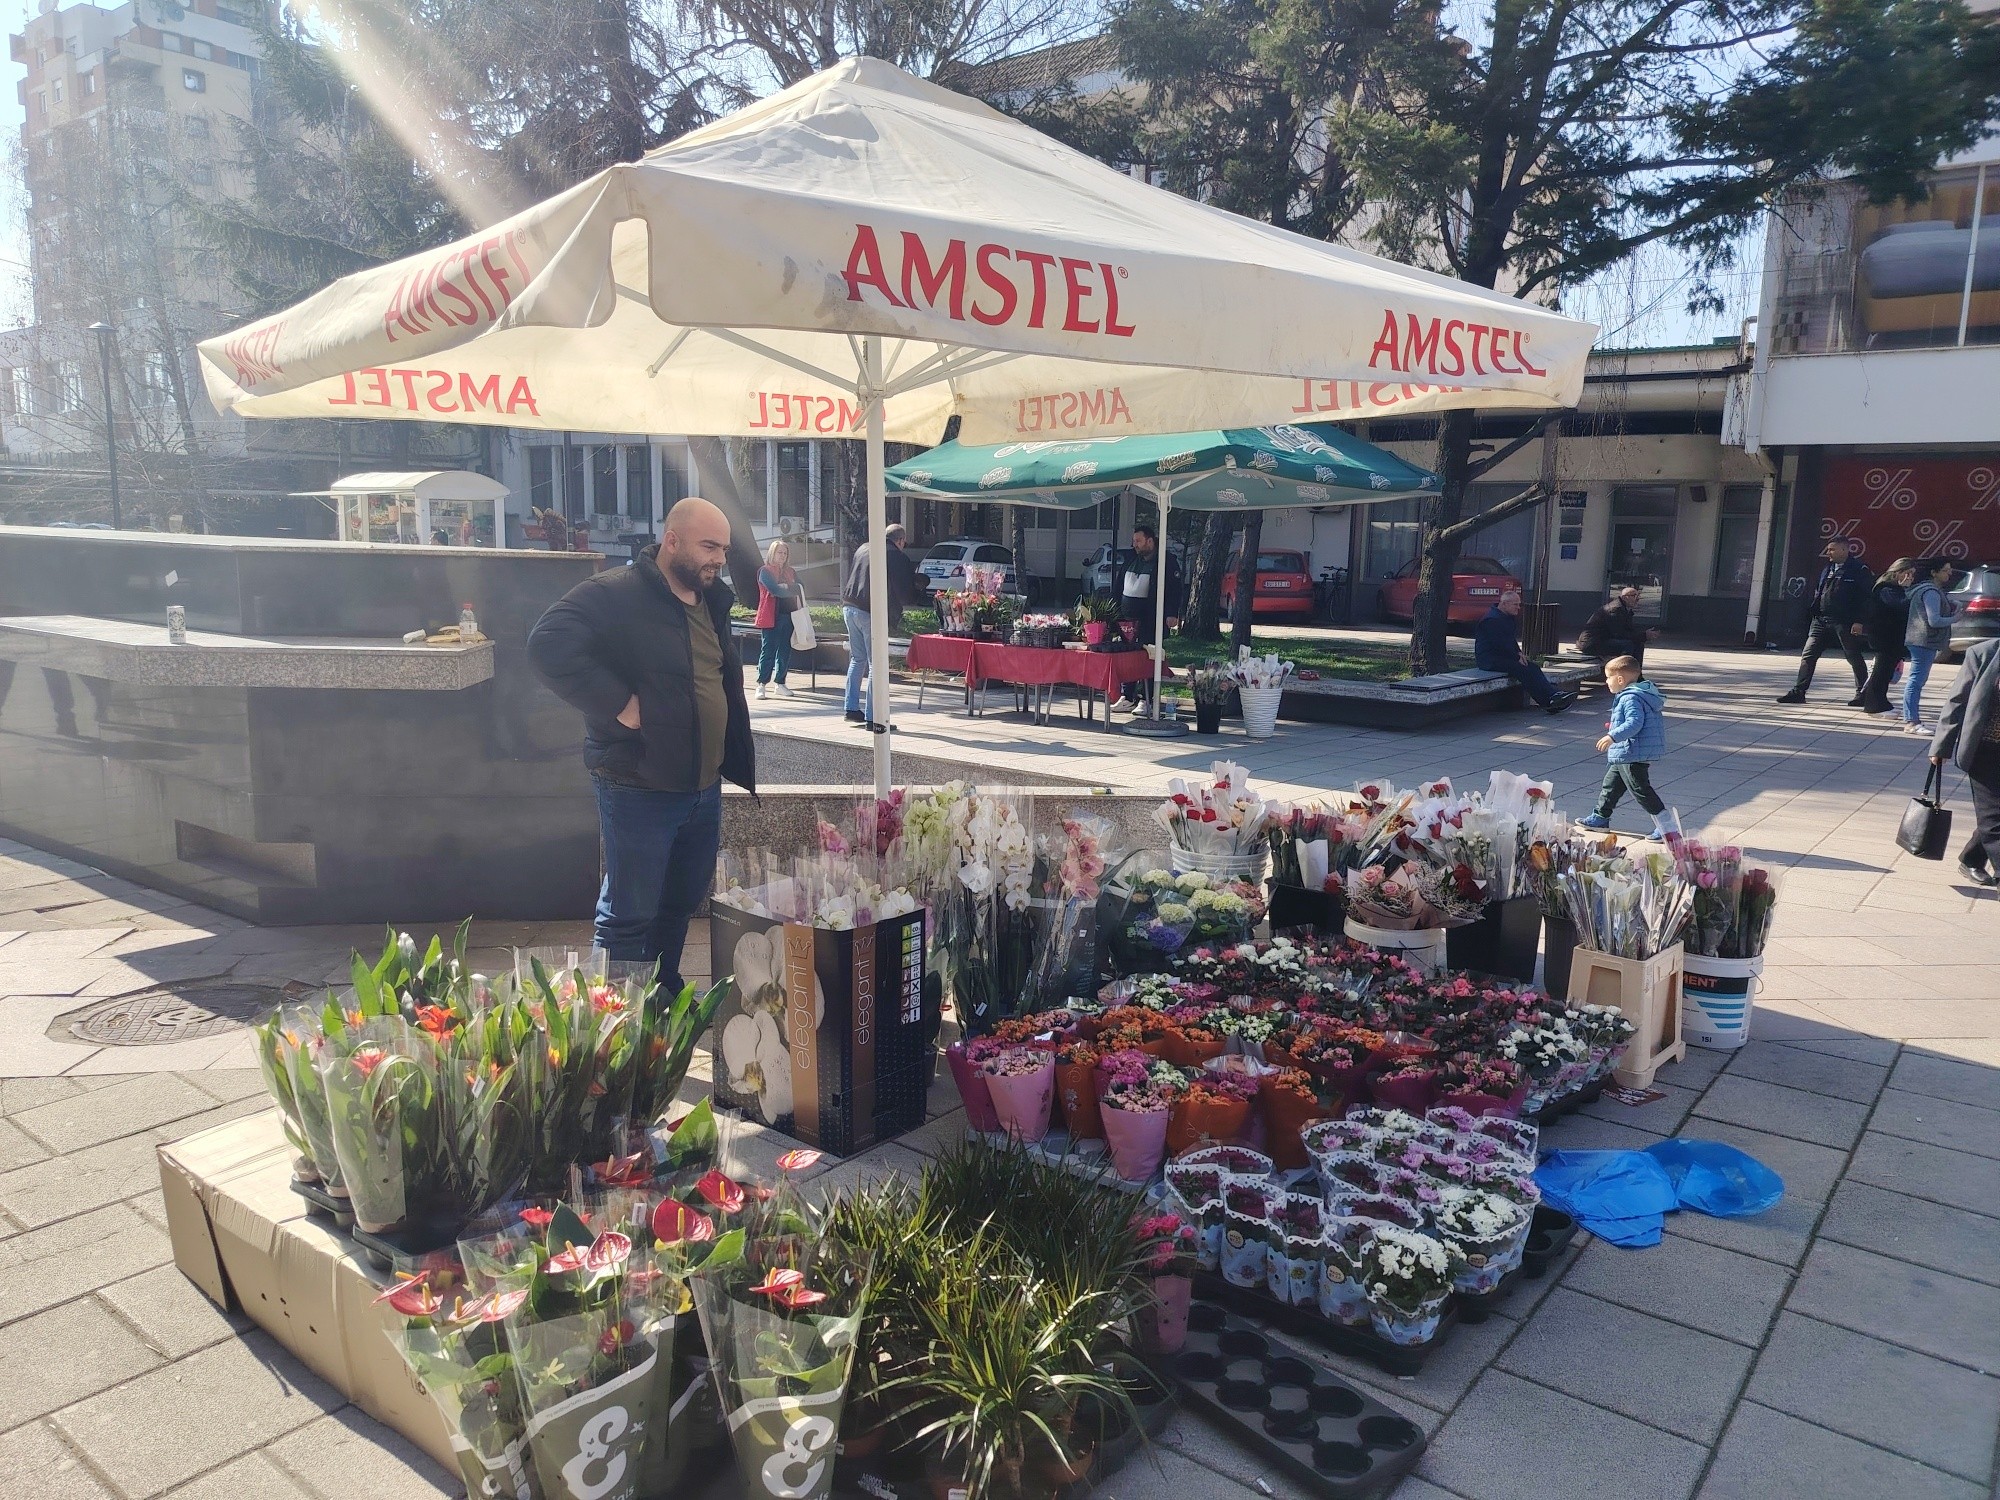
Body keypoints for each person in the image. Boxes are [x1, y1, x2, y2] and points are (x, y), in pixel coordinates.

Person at [526, 497, 754, 988]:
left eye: (724, 549)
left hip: (702, 787)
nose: (719, 559)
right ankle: (620, 1020)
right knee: (629, 914)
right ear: (671, 541)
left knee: (677, 907)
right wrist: (619, 703)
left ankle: (661, 1001)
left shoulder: (712, 600)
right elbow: (546, 644)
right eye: (709, 546)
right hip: (638, 783)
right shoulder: (616, 592)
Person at [1929, 637, 2000, 887]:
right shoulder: (1983, 654)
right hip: (1985, 750)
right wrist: (1941, 746)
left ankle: (1972, 858)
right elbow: (1957, 701)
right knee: (1993, 817)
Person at [1579, 656, 1672, 837]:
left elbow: (1634, 723)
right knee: (1611, 785)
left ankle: (1667, 827)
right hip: (1626, 751)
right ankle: (1600, 817)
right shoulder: (1637, 694)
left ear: (1620, 679)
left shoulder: (1630, 697)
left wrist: (1612, 736)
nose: (1606, 682)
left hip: (1632, 752)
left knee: (1640, 789)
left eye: (1608, 677)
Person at [840, 523, 919, 726]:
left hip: (849, 606)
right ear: (900, 541)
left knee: (857, 659)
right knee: (877, 663)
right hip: (870, 612)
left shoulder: (863, 547)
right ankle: (873, 717)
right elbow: (904, 590)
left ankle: (851, 708)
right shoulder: (894, 554)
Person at [1776, 540, 1872, 704]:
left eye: (1832, 550)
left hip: (1844, 621)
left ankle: (1863, 694)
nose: (1828, 553)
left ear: (1844, 549)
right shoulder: (1827, 568)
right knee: (1808, 655)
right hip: (1820, 620)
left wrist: (1859, 621)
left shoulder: (1859, 569)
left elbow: (1866, 598)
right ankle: (1799, 691)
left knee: (1853, 656)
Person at [1115, 522, 1185, 711]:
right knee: (1128, 658)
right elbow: (1119, 585)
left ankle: (1146, 699)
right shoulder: (1131, 559)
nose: (1135, 544)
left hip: (1151, 619)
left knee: (1149, 658)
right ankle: (1127, 696)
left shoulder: (1166, 562)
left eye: (1138, 541)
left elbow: (1175, 590)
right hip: (1127, 621)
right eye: (1134, 541)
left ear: (1150, 541)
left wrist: (1171, 613)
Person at [1473, 589, 1576, 713]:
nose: (1518, 607)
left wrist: (1519, 653)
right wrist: (1516, 657)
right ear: (1504, 604)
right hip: (1489, 660)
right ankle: (1549, 700)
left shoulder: (1505, 617)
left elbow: (1510, 640)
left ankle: (1553, 696)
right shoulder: (1492, 620)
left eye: (1519, 604)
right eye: (1515, 604)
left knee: (1533, 668)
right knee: (1524, 670)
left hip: (1502, 657)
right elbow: (1499, 644)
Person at [1902, 557, 1962, 733]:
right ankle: (1912, 722)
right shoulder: (1931, 591)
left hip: (1920, 640)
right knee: (1916, 681)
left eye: (1950, 570)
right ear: (1934, 573)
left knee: (1916, 680)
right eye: (1946, 570)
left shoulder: (1926, 589)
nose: (1949, 573)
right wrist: (1955, 618)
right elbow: (1934, 620)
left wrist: (1951, 604)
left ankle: (1912, 719)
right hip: (1924, 640)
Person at [1858, 558, 1917, 716]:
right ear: (1897, 573)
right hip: (1884, 636)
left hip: (1893, 637)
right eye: (1908, 573)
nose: (1911, 577)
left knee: (1886, 672)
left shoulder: (1895, 589)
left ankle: (1881, 702)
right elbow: (1901, 605)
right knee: (1881, 672)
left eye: (1913, 574)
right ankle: (1874, 706)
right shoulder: (1886, 589)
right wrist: (1907, 589)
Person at [753, 538, 802, 700]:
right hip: (770, 616)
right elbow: (774, 590)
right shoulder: (765, 571)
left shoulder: (791, 572)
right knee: (768, 650)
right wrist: (789, 589)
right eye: (779, 552)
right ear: (772, 553)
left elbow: (801, 587)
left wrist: (786, 587)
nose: (782, 556)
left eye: (785, 553)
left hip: (789, 615)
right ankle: (761, 684)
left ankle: (780, 683)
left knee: (785, 650)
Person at [1576, 586, 1658, 671]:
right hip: (1592, 643)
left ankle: (1636, 674)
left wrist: (1644, 635)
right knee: (1628, 645)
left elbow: (1629, 630)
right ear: (1624, 597)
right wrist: (1644, 635)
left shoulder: (1625, 609)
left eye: (1638, 596)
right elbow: (1619, 634)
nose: (1638, 599)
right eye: (1634, 596)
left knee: (1638, 643)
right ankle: (1624, 672)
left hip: (1603, 639)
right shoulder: (1615, 610)